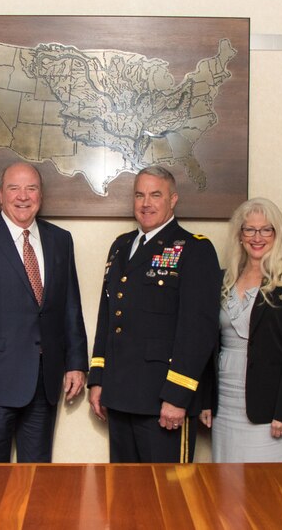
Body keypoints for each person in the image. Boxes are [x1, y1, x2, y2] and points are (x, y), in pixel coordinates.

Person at [0, 163, 89, 463]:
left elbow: (70, 307)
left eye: (31, 188)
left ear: (41, 195)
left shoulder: (59, 240)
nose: (23, 196)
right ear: (0, 194)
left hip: (44, 383)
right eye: (14, 188)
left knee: (37, 481)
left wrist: (77, 363)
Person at [88, 166, 220, 463]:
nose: (146, 203)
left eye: (155, 195)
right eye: (139, 195)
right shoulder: (121, 247)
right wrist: (98, 379)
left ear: (173, 200)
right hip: (120, 395)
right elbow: (108, 318)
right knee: (124, 496)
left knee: (169, 498)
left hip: (164, 400)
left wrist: (177, 395)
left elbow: (198, 331)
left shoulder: (194, 249)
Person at [198, 198, 282, 462]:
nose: (257, 237)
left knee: (265, 490)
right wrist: (206, 399)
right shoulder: (224, 278)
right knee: (226, 486)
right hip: (225, 403)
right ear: (240, 235)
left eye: (265, 230)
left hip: (270, 407)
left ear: (277, 234)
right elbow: (209, 344)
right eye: (249, 229)